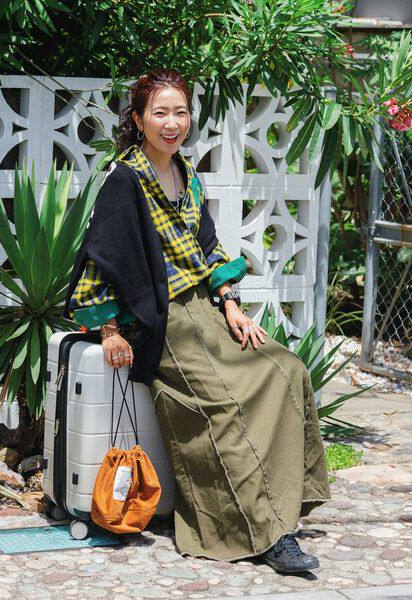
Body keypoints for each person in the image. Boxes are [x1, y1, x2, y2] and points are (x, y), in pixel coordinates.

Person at [64, 69, 331, 572]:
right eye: (160, 113)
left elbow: (207, 247)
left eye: (180, 112)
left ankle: (288, 504)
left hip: (206, 310)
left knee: (287, 370)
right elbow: (102, 258)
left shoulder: (187, 173)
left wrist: (231, 304)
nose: (172, 123)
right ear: (138, 119)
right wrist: (109, 330)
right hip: (165, 322)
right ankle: (263, 535)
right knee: (226, 406)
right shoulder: (124, 182)